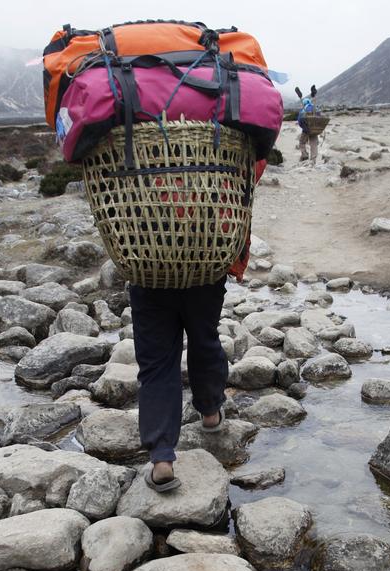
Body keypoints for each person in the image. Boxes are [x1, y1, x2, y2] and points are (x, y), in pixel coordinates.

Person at [132, 161, 267, 491]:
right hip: (206, 253)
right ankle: (210, 413)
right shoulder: (221, 135)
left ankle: (162, 458)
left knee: (157, 361)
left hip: (150, 252)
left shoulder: (140, 135)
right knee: (204, 336)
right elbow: (254, 165)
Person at [296, 85, 320, 163]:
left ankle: (305, 155)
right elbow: (319, 118)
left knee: (302, 142)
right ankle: (313, 160)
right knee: (313, 144)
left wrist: (304, 128)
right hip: (315, 129)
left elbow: (300, 120)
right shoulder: (315, 108)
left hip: (306, 129)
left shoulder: (304, 109)